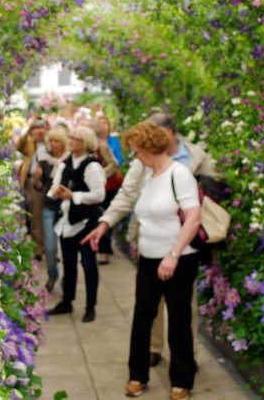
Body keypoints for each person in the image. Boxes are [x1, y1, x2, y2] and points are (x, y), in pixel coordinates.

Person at [85, 110, 216, 368]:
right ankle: (154, 349)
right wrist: (105, 222)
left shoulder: (195, 157)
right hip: (152, 241)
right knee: (149, 307)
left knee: (183, 308)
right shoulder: (141, 163)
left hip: (186, 243)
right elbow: (126, 195)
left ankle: (186, 359)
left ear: (167, 133)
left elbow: (214, 192)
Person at [47, 126, 106, 323]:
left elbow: (99, 195)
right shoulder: (65, 164)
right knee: (68, 265)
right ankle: (67, 300)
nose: (71, 141)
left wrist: (74, 195)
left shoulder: (92, 166)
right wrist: (56, 192)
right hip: (66, 221)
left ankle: (91, 306)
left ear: (86, 143)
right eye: (71, 138)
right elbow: (55, 186)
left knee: (89, 265)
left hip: (86, 222)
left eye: (76, 139)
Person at [33, 126, 69, 293]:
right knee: (49, 247)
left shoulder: (70, 161)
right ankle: (52, 274)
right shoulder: (44, 161)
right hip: (49, 207)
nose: (54, 144)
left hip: (67, 208)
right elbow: (39, 187)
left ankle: (68, 279)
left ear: (63, 143)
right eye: (52, 141)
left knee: (68, 247)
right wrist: (37, 179)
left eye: (57, 141)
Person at [16, 117, 48, 258]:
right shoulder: (30, 142)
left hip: (45, 182)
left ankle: (43, 247)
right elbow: (19, 146)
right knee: (34, 216)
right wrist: (29, 130)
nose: (40, 131)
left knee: (41, 216)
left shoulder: (50, 143)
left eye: (42, 128)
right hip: (30, 181)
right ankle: (38, 247)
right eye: (37, 128)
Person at [93, 116, 123, 265]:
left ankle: (106, 245)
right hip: (99, 186)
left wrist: (100, 174)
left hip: (111, 183)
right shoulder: (92, 142)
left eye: (105, 123)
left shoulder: (111, 142)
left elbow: (117, 161)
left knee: (108, 214)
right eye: (99, 123)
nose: (102, 126)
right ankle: (103, 249)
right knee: (102, 215)